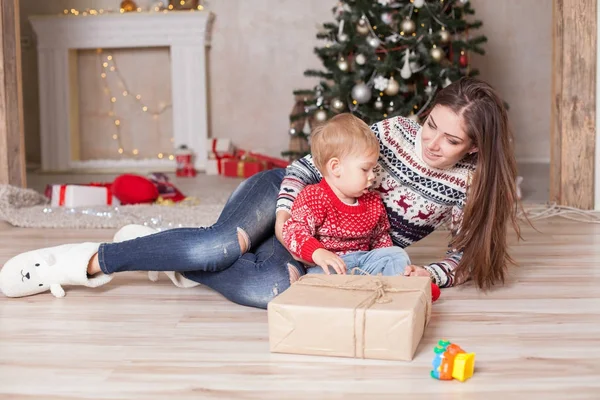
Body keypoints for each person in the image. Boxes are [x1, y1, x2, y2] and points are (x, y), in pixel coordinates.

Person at [0, 77, 521, 308]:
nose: (431, 142)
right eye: (431, 124)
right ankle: (84, 262)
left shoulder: (469, 185)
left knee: (271, 291)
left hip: (330, 245)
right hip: (290, 200)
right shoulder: (391, 133)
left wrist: (425, 272)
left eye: (451, 139)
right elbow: (302, 169)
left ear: (477, 147)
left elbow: (463, 256)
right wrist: (290, 218)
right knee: (219, 246)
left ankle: (169, 256)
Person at [281, 113, 410, 276]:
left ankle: (399, 286)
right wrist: (317, 252)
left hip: (364, 262)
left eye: (373, 169)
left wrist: (385, 261)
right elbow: (294, 230)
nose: (372, 176)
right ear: (336, 167)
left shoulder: (372, 201)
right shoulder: (315, 196)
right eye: (365, 169)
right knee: (319, 275)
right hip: (331, 265)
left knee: (397, 255)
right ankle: (347, 291)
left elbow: (380, 238)